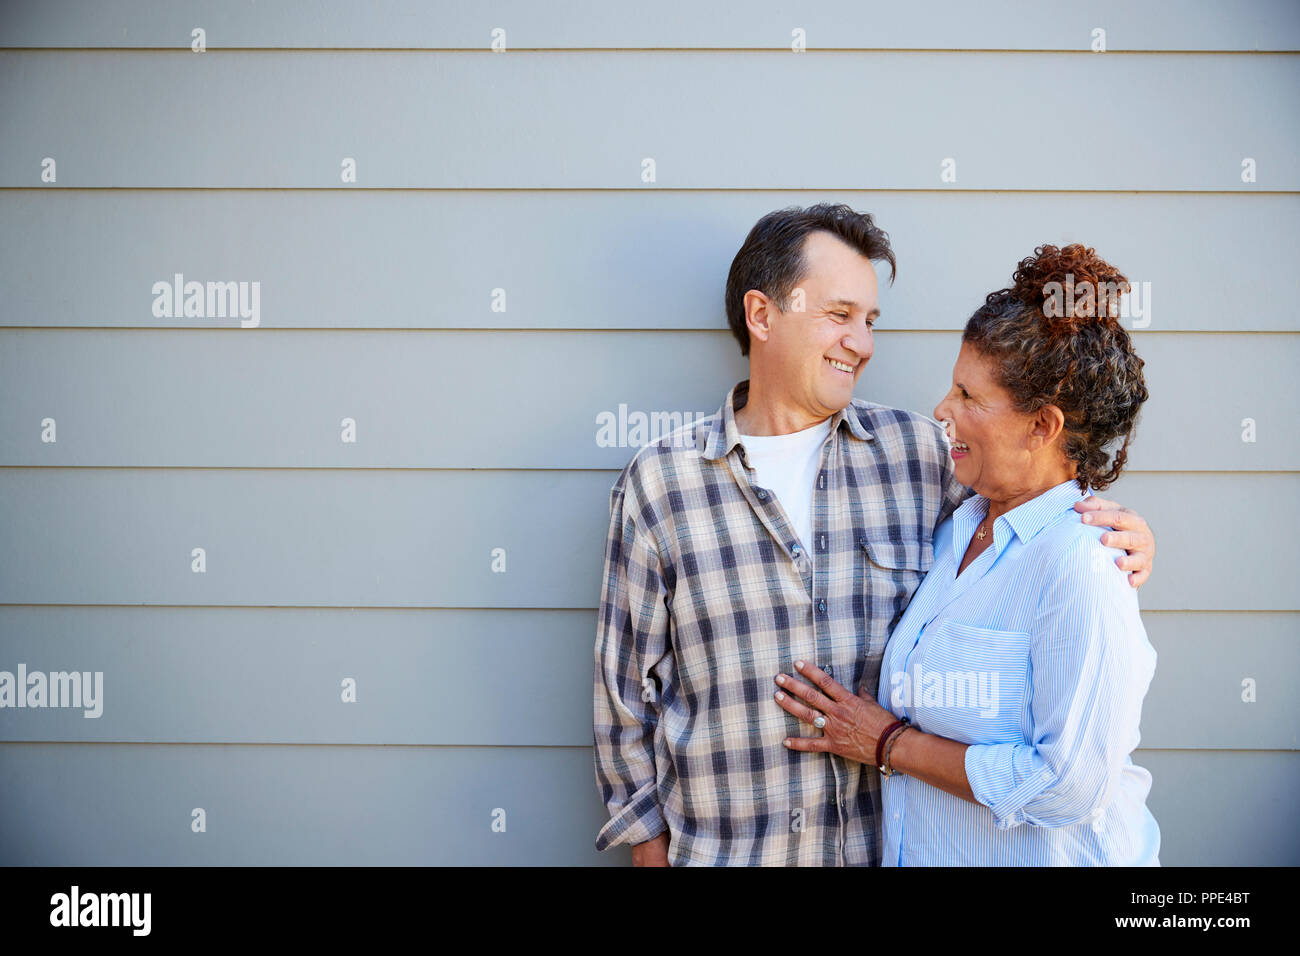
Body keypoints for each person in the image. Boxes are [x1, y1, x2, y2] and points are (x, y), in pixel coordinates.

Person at [594, 206, 1156, 866]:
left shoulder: (922, 453)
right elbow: (624, 697)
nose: (862, 343)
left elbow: (1035, 512)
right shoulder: (662, 482)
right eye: (840, 315)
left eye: (870, 320)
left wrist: (1118, 529)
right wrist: (649, 849)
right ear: (762, 315)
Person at [771, 243, 1160, 865]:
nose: (942, 411)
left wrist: (888, 743)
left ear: (1043, 427)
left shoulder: (1083, 561)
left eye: (969, 397)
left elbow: (1070, 786)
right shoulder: (959, 526)